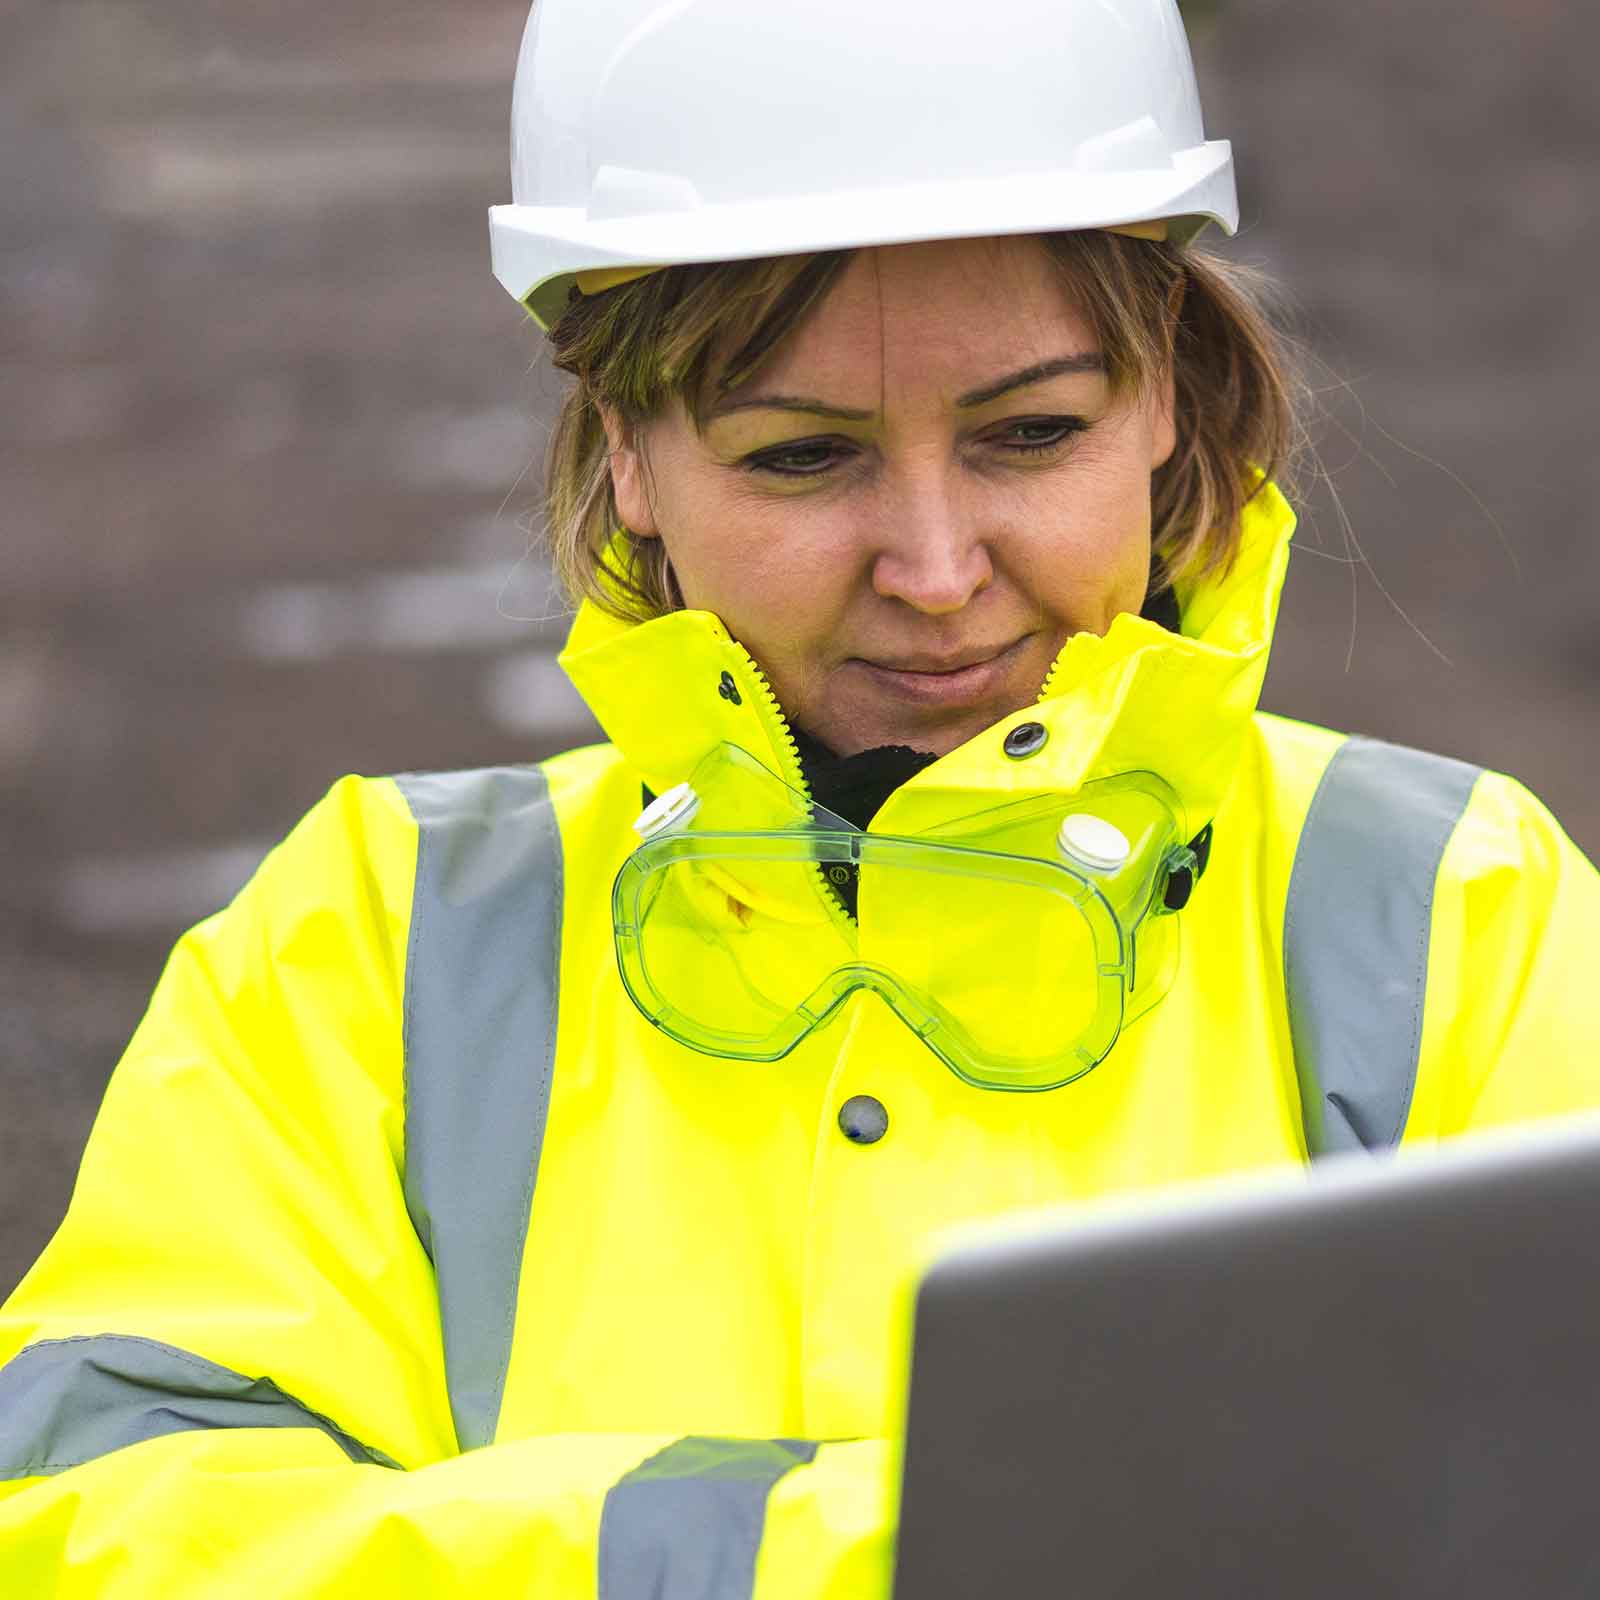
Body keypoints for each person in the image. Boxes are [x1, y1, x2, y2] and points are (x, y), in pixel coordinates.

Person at [3, 0, 1599, 1593]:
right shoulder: (371, 948)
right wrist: (873, 1554)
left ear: (1167, 395)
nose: (936, 569)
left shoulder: (1461, 918)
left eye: (1030, 434)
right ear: (628, 449)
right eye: (801, 458)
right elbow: (93, 1526)